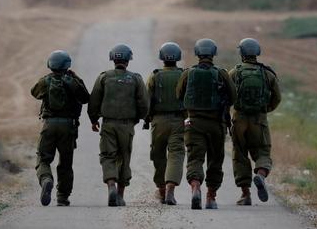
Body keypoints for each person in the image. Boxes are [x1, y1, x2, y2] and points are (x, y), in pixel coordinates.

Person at [176, 38, 237, 210]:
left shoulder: (188, 73)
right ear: (213, 54)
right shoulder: (221, 73)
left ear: (197, 54)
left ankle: (196, 187)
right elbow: (233, 96)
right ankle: (211, 197)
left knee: (195, 158)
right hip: (216, 125)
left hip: (193, 123)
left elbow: (179, 94)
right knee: (215, 160)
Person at [88, 44, 149, 207]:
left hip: (108, 124)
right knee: (124, 158)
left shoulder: (104, 77)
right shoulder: (136, 78)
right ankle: (120, 195)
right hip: (127, 125)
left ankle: (111, 185)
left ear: (113, 59)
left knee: (108, 156)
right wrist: (139, 118)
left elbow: (94, 101)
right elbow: (144, 103)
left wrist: (94, 120)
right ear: (128, 60)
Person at [30, 50, 90, 207]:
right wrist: (74, 78)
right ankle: (63, 197)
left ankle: (46, 179)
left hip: (49, 125)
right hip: (68, 126)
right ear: (67, 65)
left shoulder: (46, 81)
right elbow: (85, 98)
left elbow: (34, 92)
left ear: (50, 65)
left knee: (43, 158)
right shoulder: (74, 81)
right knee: (65, 162)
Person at [229, 38, 281, 205]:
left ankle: (245, 195)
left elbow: (225, 96)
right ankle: (260, 175)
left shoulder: (234, 72)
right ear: (257, 52)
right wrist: (265, 110)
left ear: (242, 53)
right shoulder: (268, 74)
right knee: (263, 152)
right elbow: (277, 98)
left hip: (239, 120)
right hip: (259, 120)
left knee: (240, 155)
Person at [143, 42, 186, 205]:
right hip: (178, 121)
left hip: (158, 121)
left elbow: (147, 101)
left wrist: (146, 118)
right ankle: (170, 189)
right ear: (178, 58)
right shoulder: (184, 75)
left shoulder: (155, 76)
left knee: (158, 154)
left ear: (162, 58)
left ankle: (161, 188)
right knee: (176, 154)